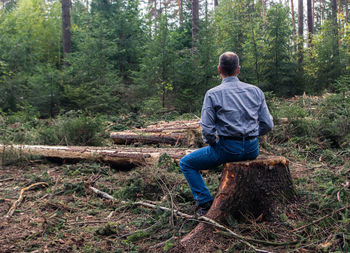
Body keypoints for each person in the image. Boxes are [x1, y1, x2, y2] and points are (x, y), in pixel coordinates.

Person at [179, 52, 274, 216]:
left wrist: (215, 145)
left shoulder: (213, 94)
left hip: (227, 149)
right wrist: (252, 135)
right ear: (238, 69)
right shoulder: (256, 91)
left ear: (219, 69)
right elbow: (268, 124)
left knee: (186, 163)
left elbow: (207, 130)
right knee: (192, 161)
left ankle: (204, 203)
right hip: (252, 149)